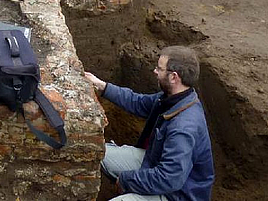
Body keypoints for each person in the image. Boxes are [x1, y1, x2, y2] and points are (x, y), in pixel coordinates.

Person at [84, 46, 215, 201]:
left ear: (174, 77)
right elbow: (138, 102)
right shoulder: (171, 98)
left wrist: (127, 180)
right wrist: (102, 86)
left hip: (176, 195)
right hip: (155, 164)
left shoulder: (184, 128)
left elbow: (169, 179)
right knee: (95, 152)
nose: (154, 71)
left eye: (159, 69)